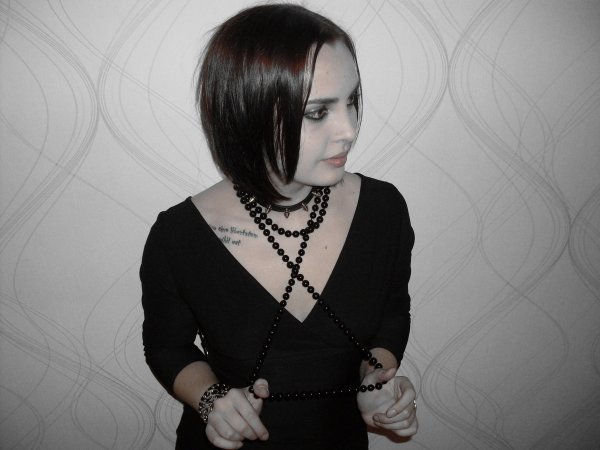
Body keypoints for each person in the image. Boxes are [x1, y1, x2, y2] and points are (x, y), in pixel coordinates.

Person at [140, 3, 418, 449]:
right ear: (247, 112)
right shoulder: (180, 236)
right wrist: (212, 400)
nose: (349, 130)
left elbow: (391, 316)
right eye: (317, 112)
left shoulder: (383, 210)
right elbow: (167, 346)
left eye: (351, 101)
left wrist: (376, 380)